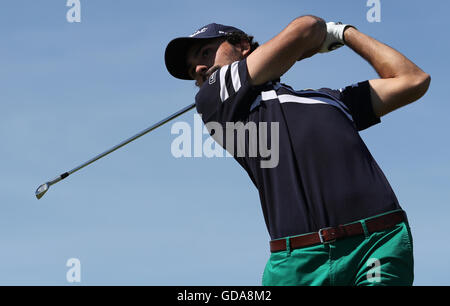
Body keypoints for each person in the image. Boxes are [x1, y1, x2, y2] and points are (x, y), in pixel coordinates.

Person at [164, 16, 430, 286]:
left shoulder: (330, 100)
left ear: (243, 45)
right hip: (295, 264)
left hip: (376, 244)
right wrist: (311, 43)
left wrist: (345, 33)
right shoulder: (215, 99)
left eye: (206, 53)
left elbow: (412, 80)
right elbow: (307, 28)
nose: (198, 68)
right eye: (191, 69)